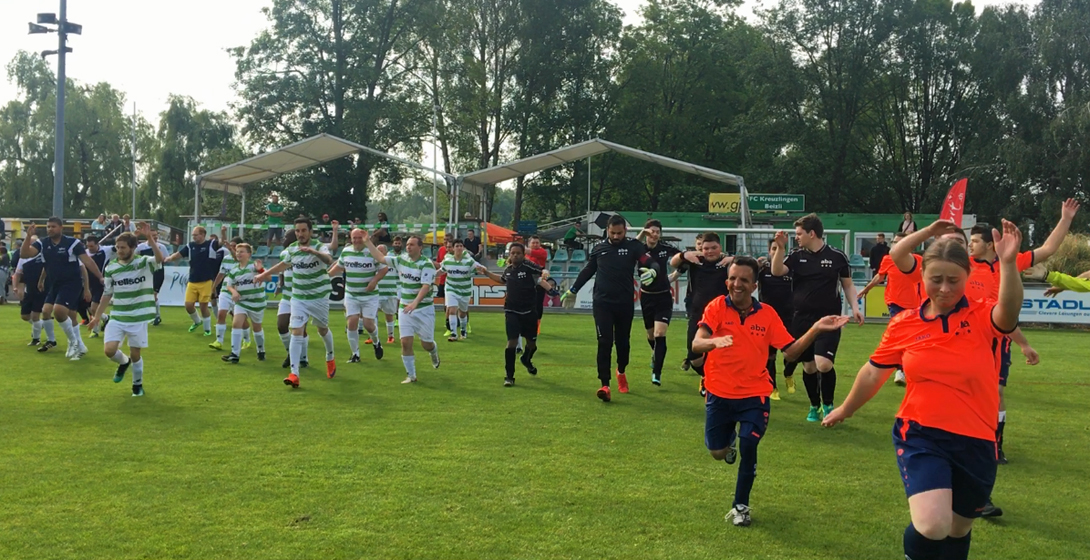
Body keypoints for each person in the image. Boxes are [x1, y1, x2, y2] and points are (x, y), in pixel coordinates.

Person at [822, 222, 1024, 560]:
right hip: (921, 434)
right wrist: (846, 408)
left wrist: (1007, 263)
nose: (944, 288)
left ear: (967, 276)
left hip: (976, 439)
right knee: (933, 525)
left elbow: (1010, 311)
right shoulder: (904, 324)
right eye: (936, 279)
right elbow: (873, 372)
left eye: (953, 280)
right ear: (923, 276)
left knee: (958, 528)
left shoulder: (981, 315)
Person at [695, 256, 847, 527]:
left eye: (744, 280)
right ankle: (728, 442)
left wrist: (816, 329)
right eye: (732, 278)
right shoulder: (717, 307)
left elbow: (791, 352)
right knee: (717, 452)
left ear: (754, 286)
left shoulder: (767, 314)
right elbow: (697, 343)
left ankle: (740, 507)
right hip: (719, 393)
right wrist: (714, 342)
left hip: (754, 395)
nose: (737, 284)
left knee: (750, 445)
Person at [772, 213, 864, 422]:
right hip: (801, 319)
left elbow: (848, 284)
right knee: (809, 366)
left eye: (799, 233)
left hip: (830, 319)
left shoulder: (837, 256)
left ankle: (828, 404)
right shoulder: (796, 256)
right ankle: (814, 405)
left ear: (811, 233)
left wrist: (855, 308)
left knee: (824, 364)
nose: (796, 237)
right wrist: (780, 248)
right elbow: (777, 271)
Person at [561, 215, 661, 401]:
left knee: (623, 343)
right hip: (602, 303)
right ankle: (605, 384)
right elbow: (588, 270)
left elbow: (650, 261)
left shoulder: (633, 246)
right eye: (612, 233)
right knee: (604, 341)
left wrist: (654, 270)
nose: (616, 236)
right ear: (607, 230)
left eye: (619, 233)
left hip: (624, 303)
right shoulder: (599, 248)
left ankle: (621, 371)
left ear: (625, 231)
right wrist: (573, 289)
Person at [255, 218, 339, 387]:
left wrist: (314, 252)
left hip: (319, 296)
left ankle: (330, 356)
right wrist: (263, 275)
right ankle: (294, 373)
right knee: (296, 331)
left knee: (322, 330)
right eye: (297, 231)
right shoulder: (292, 249)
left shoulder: (319, 246)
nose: (300, 234)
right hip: (299, 297)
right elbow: (282, 265)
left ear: (310, 232)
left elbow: (329, 260)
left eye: (303, 230)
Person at [88, 226, 165, 397]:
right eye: (117, 247)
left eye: (123, 247)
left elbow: (160, 259)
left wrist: (150, 239)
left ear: (133, 247)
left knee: (135, 353)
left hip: (138, 316)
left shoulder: (143, 262)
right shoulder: (111, 268)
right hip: (118, 316)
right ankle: (124, 363)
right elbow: (107, 294)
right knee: (109, 350)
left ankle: (137, 385)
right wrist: (97, 317)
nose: (119, 250)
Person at [361, 231, 441, 383]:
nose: (408, 247)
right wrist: (367, 242)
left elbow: (425, 286)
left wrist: (415, 303)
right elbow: (381, 258)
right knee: (405, 342)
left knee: (426, 344)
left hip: (423, 309)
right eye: (407, 244)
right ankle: (411, 375)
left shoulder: (426, 264)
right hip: (405, 308)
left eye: (412, 245)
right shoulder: (401, 260)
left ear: (420, 247)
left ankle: (433, 351)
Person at [19, 219, 103, 360]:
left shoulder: (72, 243)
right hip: (54, 284)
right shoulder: (43, 243)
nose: (50, 229)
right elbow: (24, 254)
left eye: (53, 226)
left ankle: (74, 342)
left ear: (61, 228)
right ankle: (74, 343)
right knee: (46, 311)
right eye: (48, 227)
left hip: (71, 283)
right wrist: (28, 236)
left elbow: (87, 262)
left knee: (60, 311)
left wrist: (100, 277)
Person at [478, 243, 554, 386]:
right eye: (512, 253)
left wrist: (545, 273)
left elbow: (542, 270)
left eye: (518, 253)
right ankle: (509, 376)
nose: (515, 255)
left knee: (532, 345)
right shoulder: (508, 270)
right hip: (511, 310)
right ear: (509, 254)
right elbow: (502, 280)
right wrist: (486, 273)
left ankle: (526, 359)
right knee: (511, 343)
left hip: (529, 311)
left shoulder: (528, 266)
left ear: (523, 254)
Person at [670, 232, 732, 397]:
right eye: (706, 248)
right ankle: (707, 376)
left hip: (722, 316)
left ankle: (719, 384)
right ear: (701, 249)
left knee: (723, 353)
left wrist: (734, 259)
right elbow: (673, 262)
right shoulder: (696, 261)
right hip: (698, 315)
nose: (710, 251)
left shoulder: (726, 263)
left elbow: (751, 265)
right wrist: (683, 254)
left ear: (720, 247)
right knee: (694, 358)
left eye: (713, 248)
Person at [858, 231, 920, 385]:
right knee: (900, 334)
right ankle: (899, 370)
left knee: (911, 338)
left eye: (900, 242)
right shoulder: (888, 259)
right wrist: (866, 289)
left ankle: (907, 368)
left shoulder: (918, 261)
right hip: (895, 303)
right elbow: (879, 276)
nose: (896, 245)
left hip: (915, 305)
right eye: (894, 242)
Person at [328, 228, 387, 363]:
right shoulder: (346, 251)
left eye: (359, 238)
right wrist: (327, 275)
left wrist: (374, 281)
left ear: (365, 238)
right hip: (351, 293)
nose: (356, 241)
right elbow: (339, 266)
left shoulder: (372, 252)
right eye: (354, 238)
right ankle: (355, 354)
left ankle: (376, 342)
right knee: (351, 322)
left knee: (368, 325)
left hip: (369, 295)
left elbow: (383, 269)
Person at [636, 220, 680, 386]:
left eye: (657, 232)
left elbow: (683, 258)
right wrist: (642, 233)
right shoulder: (639, 249)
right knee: (650, 335)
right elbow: (631, 245)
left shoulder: (665, 248)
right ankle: (655, 354)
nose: (654, 235)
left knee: (659, 334)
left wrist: (675, 274)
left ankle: (657, 373)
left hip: (663, 297)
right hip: (646, 297)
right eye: (651, 231)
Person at [164, 225, 226, 335]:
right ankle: (197, 321)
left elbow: (222, 241)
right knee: (188, 305)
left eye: (196, 235)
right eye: (193, 235)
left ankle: (207, 330)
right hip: (192, 280)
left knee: (203, 307)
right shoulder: (190, 246)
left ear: (203, 235)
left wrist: (223, 232)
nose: (194, 237)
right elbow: (178, 255)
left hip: (206, 281)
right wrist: (167, 258)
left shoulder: (211, 244)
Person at [757, 239, 795, 400]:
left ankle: (788, 374)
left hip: (790, 317)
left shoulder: (791, 270)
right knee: (769, 356)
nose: (776, 251)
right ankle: (772, 387)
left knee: (792, 354)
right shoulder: (762, 270)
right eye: (773, 248)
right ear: (769, 251)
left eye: (779, 248)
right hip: (768, 319)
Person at [220, 243, 268, 363]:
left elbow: (268, 278)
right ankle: (235, 354)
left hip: (257, 302)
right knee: (236, 324)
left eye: (242, 251)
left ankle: (261, 350)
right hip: (242, 302)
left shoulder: (254, 266)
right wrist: (234, 292)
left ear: (249, 254)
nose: (238, 254)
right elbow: (229, 285)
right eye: (237, 251)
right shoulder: (234, 270)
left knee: (257, 328)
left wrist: (261, 270)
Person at [274, 231, 310, 370]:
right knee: (281, 325)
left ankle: (303, 358)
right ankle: (291, 353)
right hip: (287, 296)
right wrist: (279, 285)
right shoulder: (284, 253)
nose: (283, 239)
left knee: (300, 329)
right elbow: (282, 271)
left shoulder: (304, 254)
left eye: (286, 237)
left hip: (301, 296)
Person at [209, 238, 251, 352]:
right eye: (231, 246)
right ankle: (219, 341)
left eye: (235, 246)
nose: (233, 249)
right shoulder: (226, 259)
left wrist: (231, 250)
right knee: (221, 314)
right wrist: (214, 287)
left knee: (240, 319)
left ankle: (247, 339)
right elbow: (221, 273)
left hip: (238, 293)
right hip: (225, 291)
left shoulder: (244, 260)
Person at [439, 239, 480, 342]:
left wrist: (483, 270)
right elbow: (441, 271)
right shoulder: (447, 260)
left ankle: (463, 330)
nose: (459, 248)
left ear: (463, 248)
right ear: (453, 248)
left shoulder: (469, 261)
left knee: (462, 313)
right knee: (452, 310)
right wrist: (429, 277)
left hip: (465, 290)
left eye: (461, 246)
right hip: (451, 288)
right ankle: (453, 333)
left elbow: (478, 269)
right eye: (457, 246)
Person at [13, 244, 48, 346]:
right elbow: (17, 273)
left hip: (41, 290)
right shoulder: (23, 259)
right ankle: (40, 324)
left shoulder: (42, 256)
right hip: (29, 290)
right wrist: (15, 287)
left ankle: (36, 339)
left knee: (35, 315)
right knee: (25, 316)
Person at [83, 236, 116, 338]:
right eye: (88, 246)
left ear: (97, 244)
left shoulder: (106, 250)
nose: (90, 248)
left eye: (92, 246)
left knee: (93, 308)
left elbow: (121, 246)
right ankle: (106, 318)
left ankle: (95, 331)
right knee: (90, 308)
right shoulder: (84, 253)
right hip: (88, 284)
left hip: (100, 283)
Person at [136, 234, 171, 326]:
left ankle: (157, 316)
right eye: (153, 235)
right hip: (145, 274)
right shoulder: (140, 247)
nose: (155, 237)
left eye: (156, 235)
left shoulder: (161, 247)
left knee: (153, 295)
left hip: (157, 273)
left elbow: (166, 259)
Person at [374, 243, 399, 345]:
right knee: (372, 314)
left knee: (389, 315)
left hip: (390, 292)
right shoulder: (374, 261)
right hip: (377, 292)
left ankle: (390, 336)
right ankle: (373, 336)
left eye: (381, 250)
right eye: (377, 250)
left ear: (386, 252)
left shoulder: (392, 261)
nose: (379, 252)